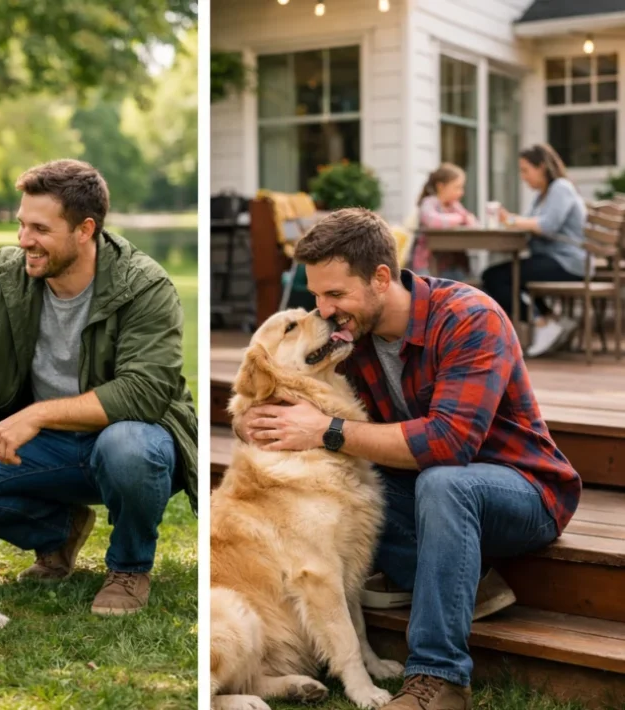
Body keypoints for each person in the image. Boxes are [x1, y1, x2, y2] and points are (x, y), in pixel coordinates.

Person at [232, 208, 580, 709]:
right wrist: (251, 418)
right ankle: (461, 583)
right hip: (422, 489)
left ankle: (438, 679)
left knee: (444, 483)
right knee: (335, 494)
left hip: (521, 492)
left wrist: (327, 430)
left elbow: (448, 445)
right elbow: (287, 387)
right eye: (316, 297)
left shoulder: (469, 317)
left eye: (335, 294)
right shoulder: (352, 335)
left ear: (380, 278)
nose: (324, 311)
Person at [0, 159, 198, 616]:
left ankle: (129, 567)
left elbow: (144, 392)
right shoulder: (11, 273)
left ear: (85, 230)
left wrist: (37, 414)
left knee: (129, 448)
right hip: (45, 450)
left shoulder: (144, 286)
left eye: (41, 229)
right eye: (22, 225)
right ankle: (59, 531)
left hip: (129, 436)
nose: (25, 240)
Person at [486, 144, 589, 357]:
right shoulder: (541, 194)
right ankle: (553, 320)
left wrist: (513, 220)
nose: (523, 177)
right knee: (507, 275)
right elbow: (530, 222)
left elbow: (547, 225)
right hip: (551, 259)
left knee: (496, 277)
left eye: (525, 170)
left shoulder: (561, 187)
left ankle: (542, 323)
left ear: (541, 167)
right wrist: (515, 221)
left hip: (567, 262)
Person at [411, 163, 475, 280]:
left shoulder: (454, 205)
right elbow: (433, 221)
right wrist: (459, 219)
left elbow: (472, 223)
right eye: (457, 187)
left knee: (462, 278)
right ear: (441, 187)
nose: (461, 192)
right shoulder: (429, 202)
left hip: (450, 265)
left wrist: (465, 218)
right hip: (427, 265)